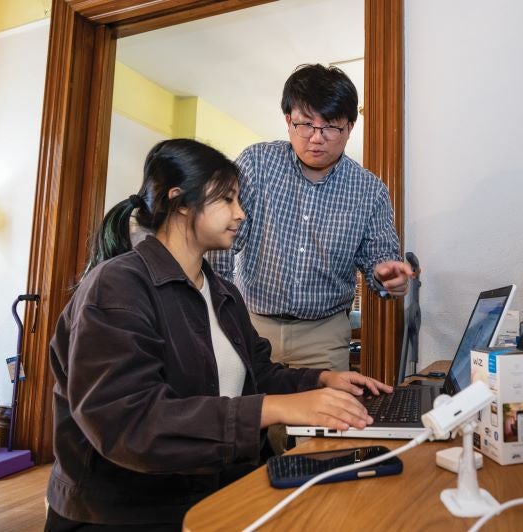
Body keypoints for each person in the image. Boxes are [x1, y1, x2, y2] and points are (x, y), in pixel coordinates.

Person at [45, 139, 391, 531]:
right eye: (227, 200)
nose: (241, 214)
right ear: (180, 202)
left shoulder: (222, 291)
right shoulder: (117, 286)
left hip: (205, 497)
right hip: (122, 514)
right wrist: (274, 409)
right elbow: (130, 423)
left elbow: (257, 371)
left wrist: (323, 380)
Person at [209, 64, 413, 372]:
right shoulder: (256, 164)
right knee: (244, 415)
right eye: (304, 124)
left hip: (324, 336)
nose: (316, 138)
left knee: (325, 418)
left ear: (350, 127)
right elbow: (221, 238)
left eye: (331, 127)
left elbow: (379, 260)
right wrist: (220, 310)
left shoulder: (370, 190)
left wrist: (387, 276)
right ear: (287, 120)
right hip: (251, 323)